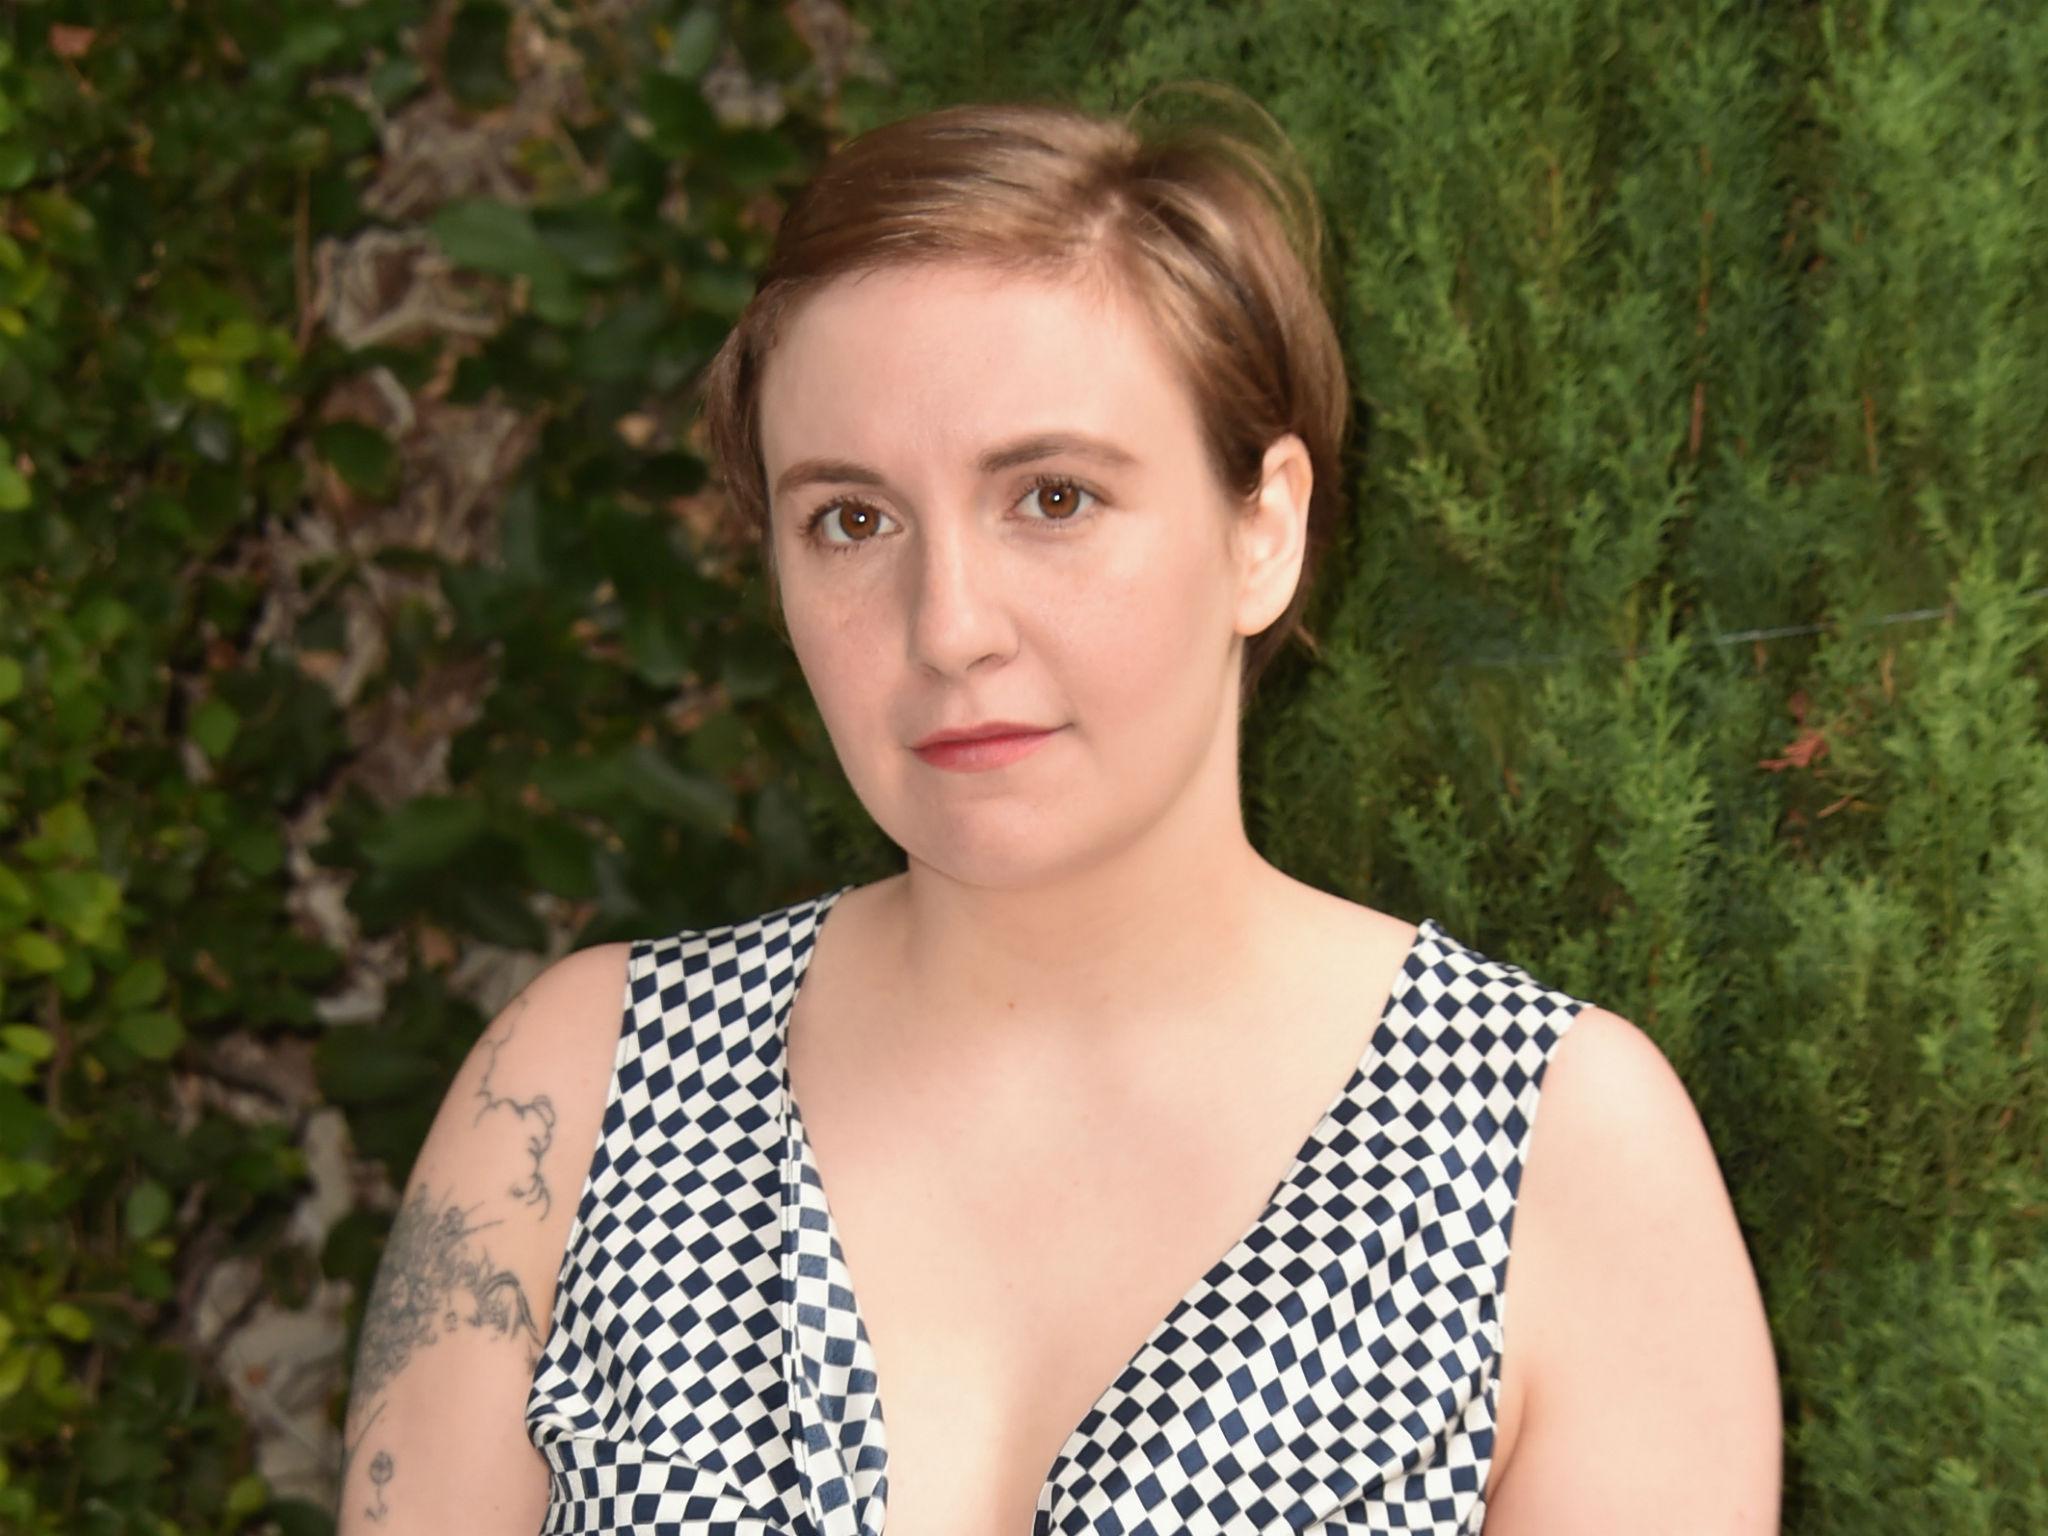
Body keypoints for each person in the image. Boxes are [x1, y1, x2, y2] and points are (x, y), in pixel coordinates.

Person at [335, 86, 1782, 1535]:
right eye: (852, 519)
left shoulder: (1554, 1151)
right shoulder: (579, 1100)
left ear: (1263, 526)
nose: (948, 625)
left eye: (1055, 498)